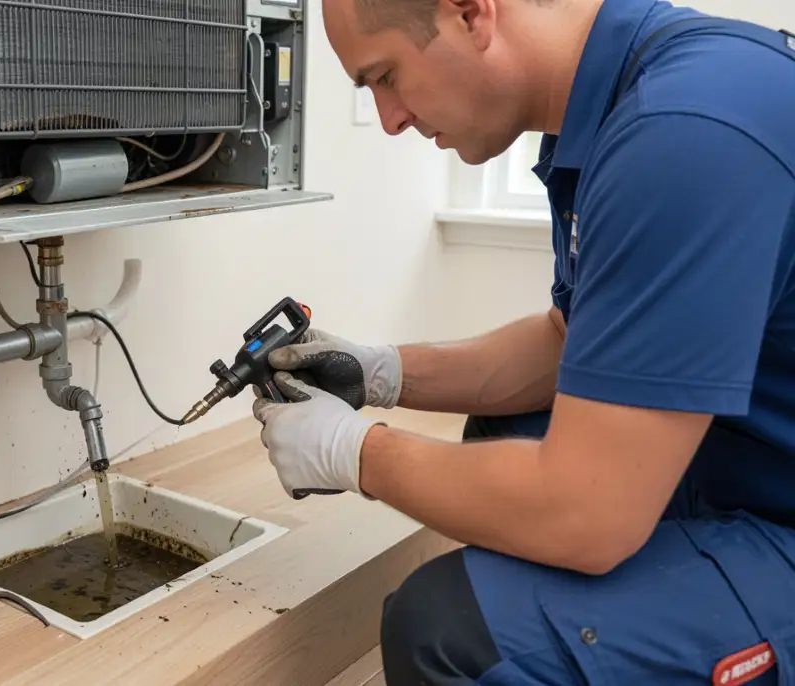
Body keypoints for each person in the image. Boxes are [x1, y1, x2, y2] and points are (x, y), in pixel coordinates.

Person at [250, 0, 795, 683]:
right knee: (509, 425)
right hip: (746, 466)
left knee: (445, 630)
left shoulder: (683, 132)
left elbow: (587, 513)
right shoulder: (610, 113)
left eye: (385, 76)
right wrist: (380, 370)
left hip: (778, 524)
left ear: (472, 13)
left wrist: (355, 453)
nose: (389, 121)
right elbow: (567, 342)